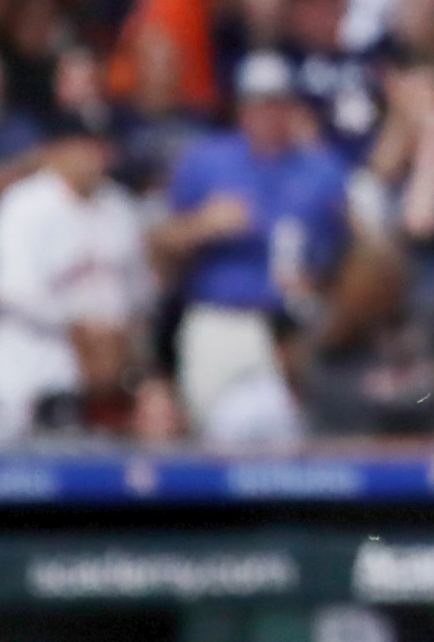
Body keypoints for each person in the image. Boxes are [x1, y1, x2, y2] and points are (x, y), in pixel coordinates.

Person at [149, 52, 350, 447]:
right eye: (258, 103)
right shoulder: (207, 161)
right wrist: (200, 226)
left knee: (295, 445)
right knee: (222, 440)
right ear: (242, 108)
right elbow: (157, 245)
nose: (267, 114)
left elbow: (348, 250)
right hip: (220, 318)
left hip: (292, 327)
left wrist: (325, 288)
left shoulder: (320, 169)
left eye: (276, 103)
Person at [0, 121, 149, 438]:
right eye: (84, 146)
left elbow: (139, 289)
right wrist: (80, 324)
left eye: (100, 146)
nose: (95, 157)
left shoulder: (119, 207)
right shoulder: (24, 205)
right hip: (30, 368)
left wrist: (117, 329)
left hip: (101, 377)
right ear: (57, 152)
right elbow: (8, 289)